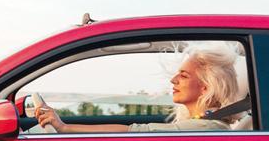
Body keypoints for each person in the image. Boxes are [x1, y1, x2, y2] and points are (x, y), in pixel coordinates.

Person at [36, 47, 243, 133]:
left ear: (206, 87)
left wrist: (64, 128)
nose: (173, 80)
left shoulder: (205, 129)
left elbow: (133, 132)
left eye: (184, 75)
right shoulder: (204, 124)